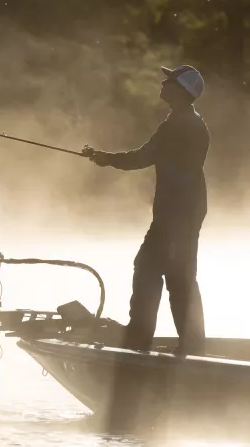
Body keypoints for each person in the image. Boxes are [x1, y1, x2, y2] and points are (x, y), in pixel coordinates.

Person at [82, 65, 209, 356]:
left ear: (182, 91)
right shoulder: (186, 121)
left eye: (169, 81)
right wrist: (105, 158)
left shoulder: (179, 125)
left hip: (178, 214)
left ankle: (148, 342)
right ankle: (177, 343)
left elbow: (141, 157)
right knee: (166, 272)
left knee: (168, 274)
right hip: (180, 212)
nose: (163, 84)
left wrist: (104, 158)